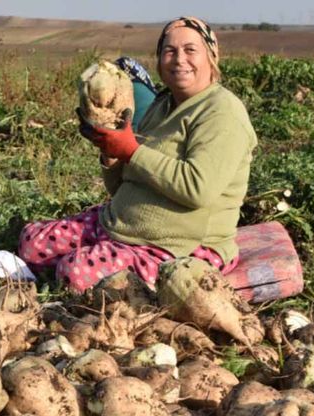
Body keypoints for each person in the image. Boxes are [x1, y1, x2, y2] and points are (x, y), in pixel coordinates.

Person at [18, 16, 258, 292]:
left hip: (178, 245)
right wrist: (110, 153)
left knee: (75, 273)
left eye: (191, 50)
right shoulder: (162, 105)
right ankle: (104, 249)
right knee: (31, 242)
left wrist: (131, 150)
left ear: (211, 56)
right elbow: (120, 186)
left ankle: (114, 263)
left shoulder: (222, 112)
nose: (179, 59)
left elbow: (198, 189)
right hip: (120, 224)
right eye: (169, 51)